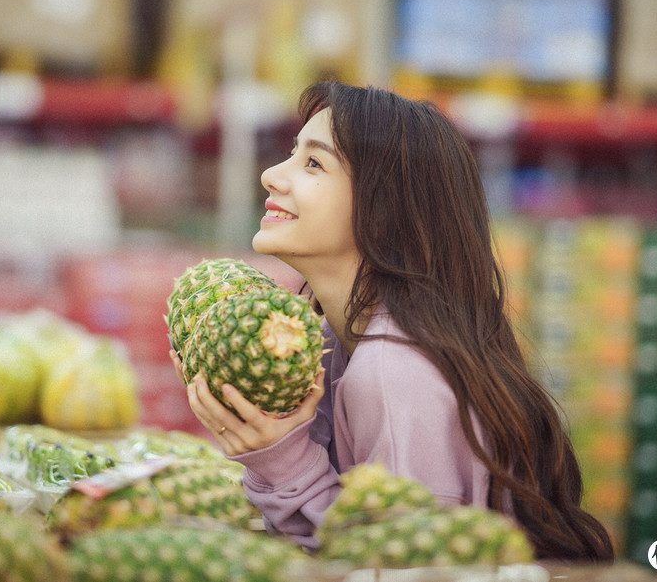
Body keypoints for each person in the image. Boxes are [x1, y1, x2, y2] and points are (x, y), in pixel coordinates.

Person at [176, 79, 614, 562]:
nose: (272, 176)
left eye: (314, 163)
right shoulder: (336, 343)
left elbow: (406, 567)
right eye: (292, 153)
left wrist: (283, 460)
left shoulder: (393, 373)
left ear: (382, 212)